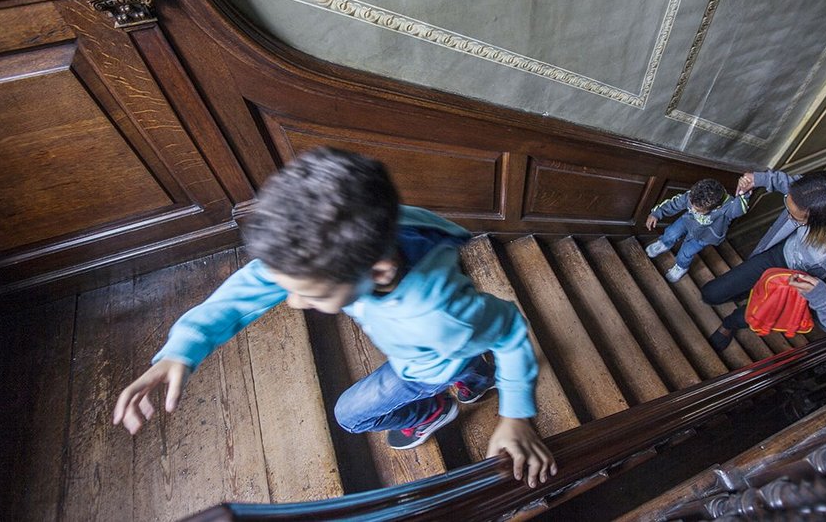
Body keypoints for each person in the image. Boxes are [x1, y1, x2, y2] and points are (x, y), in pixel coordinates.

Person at [113, 147, 556, 488]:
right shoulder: (349, 236)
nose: (292, 302)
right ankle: (473, 374)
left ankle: (433, 408)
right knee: (464, 354)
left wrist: (516, 416)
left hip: (424, 365)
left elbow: (511, 330)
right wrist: (183, 349)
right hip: (445, 342)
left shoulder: (436, 315)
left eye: (309, 294)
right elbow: (253, 285)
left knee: (351, 416)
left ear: (378, 271)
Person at [702, 169, 826, 352]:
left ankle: (730, 324)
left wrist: (824, 300)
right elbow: (800, 188)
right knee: (712, 293)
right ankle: (743, 294)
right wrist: (762, 179)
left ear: (823, 224)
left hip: (802, 291)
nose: (789, 217)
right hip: (780, 257)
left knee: (753, 314)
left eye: (795, 218)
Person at [645, 178, 751, 283]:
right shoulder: (693, 195)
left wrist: (744, 193)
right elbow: (675, 203)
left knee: (685, 253)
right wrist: (657, 213)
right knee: (670, 233)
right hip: (687, 221)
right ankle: (664, 243)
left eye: (698, 210)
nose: (692, 209)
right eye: (692, 205)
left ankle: (681, 267)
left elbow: (740, 209)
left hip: (704, 236)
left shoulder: (728, 207)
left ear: (717, 207)